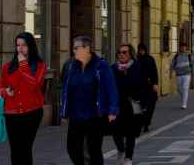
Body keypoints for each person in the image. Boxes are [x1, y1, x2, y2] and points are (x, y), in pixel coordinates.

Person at [61, 35, 119, 165]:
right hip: (76, 115)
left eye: (77, 48)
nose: (74, 51)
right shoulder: (71, 66)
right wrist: (64, 111)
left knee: (94, 150)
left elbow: (111, 89)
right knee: (72, 149)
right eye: (73, 48)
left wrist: (112, 111)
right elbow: (66, 89)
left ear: (87, 48)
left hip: (95, 115)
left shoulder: (101, 66)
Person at [0, 32, 46, 165]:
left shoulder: (40, 66)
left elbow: (34, 85)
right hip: (11, 114)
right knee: (15, 150)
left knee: (25, 149)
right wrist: (5, 91)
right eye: (18, 45)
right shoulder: (7, 67)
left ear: (31, 46)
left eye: (24, 45)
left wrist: (23, 65)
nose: (20, 48)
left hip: (32, 112)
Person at [111, 44, 148, 165]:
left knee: (130, 133)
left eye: (124, 52)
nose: (121, 55)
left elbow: (143, 86)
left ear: (130, 54)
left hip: (133, 104)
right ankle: (121, 149)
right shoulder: (113, 68)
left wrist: (144, 104)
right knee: (116, 131)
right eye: (119, 52)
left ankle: (128, 158)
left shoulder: (137, 67)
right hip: (117, 105)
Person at [137, 43, 158, 133]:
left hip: (150, 86)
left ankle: (146, 123)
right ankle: (142, 123)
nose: (141, 51)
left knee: (150, 106)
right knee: (142, 107)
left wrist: (155, 83)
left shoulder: (150, 59)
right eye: (140, 50)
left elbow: (154, 72)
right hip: (141, 87)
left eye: (142, 50)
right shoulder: (136, 60)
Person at [170, 43, 193, 109]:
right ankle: (184, 97)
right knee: (179, 89)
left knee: (185, 88)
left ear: (186, 48)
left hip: (187, 74)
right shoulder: (176, 56)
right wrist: (171, 73)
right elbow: (172, 65)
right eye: (181, 47)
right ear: (180, 48)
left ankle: (184, 104)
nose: (183, 48)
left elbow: (192, 64)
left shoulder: (189, 55)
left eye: (184, 47)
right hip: (179, 75)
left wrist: (191, 71)